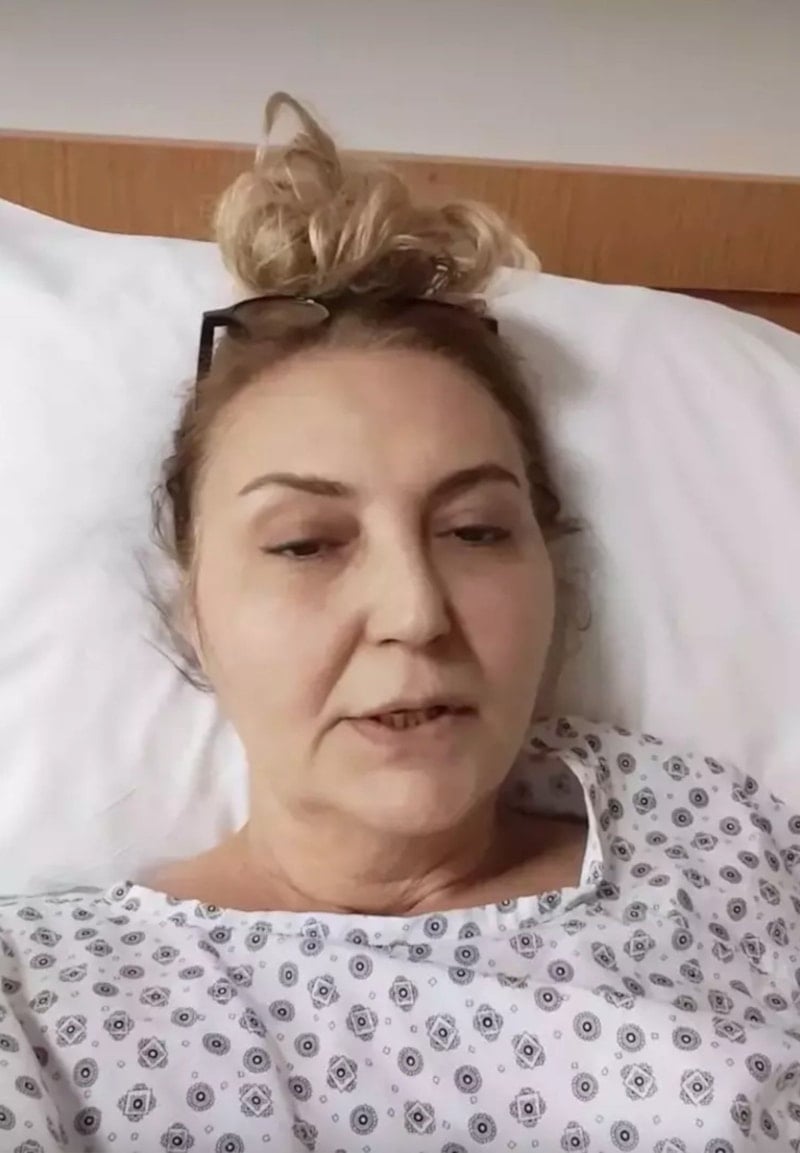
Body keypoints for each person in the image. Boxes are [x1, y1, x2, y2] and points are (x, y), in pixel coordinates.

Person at [0, 93, 798, 1153]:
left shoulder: (720, 849)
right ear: (194, 613)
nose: (415, 613)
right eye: (305, 543)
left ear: (551, 571)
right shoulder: (43, 1005)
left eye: (474, 531)